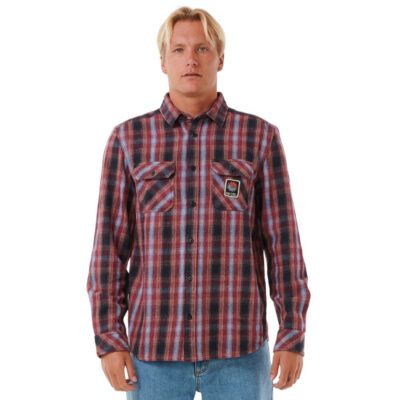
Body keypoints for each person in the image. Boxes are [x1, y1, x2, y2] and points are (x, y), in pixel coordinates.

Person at [86, 6, 311, 400]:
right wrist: (109, 339)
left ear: (220, 58)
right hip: (152, 353)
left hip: (240, 352)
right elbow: (109, 248)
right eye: (179, 49)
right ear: (163, 61)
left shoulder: (259, 137)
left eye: (202, 48)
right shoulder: (128, 140)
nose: (190, 59)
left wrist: (292, 334)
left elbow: (283, 245)